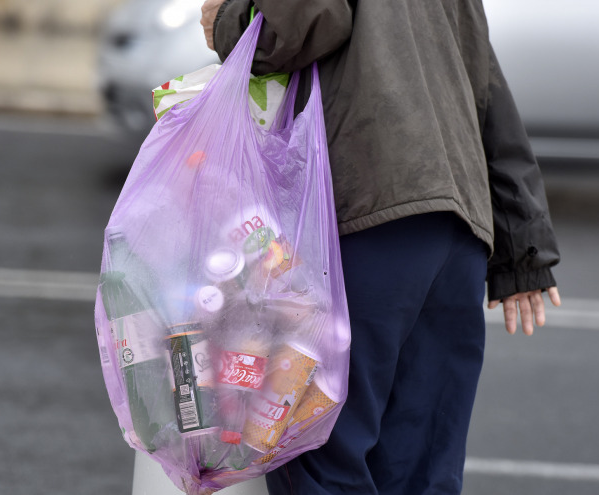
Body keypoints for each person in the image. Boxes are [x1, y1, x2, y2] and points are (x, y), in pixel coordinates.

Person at [201, 1, 561, 494]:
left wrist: (228, 17)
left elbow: (298, 23)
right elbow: (484, 81)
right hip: (455, 230)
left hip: (365, 215)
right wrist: (523, 243)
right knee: (421, 471)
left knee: (321, 452)